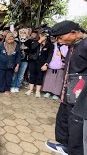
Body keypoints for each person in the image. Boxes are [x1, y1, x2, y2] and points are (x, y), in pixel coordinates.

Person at [45, 21, 87, 155]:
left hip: (81, 97)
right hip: (68, 92)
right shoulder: (72, 45)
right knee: (64, 120)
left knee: (77, 128)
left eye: (60, 38)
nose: (59, 41)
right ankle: (65, 146)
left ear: (73, 33)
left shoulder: (85, 45)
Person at [25, 29, 54, 97]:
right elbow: (32, 48)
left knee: (40, 77)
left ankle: (37, 91)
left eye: (45, 35)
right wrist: (40, 41)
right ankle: (30, 90)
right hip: (33, 61)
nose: (43, 36)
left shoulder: (50, 45)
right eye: (42, 34)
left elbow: (50, 55)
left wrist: (46, 64)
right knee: (32, 75)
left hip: (42, 63)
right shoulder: (35, 42)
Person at [11, 28, 31, 93]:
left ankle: (17, 86)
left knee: (21, 74)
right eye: (21, 32)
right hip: (16, 59)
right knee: (14, 73)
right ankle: (12, 86)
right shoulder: (16, 40)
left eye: (24, 32)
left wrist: (26, 48)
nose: (22, 34)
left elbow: (31, 50)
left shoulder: (29, 41)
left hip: (25, 60)